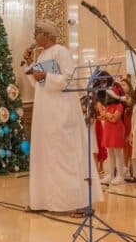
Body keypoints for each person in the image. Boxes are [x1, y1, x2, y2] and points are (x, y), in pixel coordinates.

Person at [28, 19, 102, 213]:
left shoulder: (61, 51)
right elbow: (37, 85)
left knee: (65, 156)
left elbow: (68, 79)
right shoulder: (41, 55)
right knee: (47, 156)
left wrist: (45, 77)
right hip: (45, 114)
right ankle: (44, 201)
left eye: (38, 32)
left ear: (48, 35)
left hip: (61, 111)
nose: (35, 36)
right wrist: (30, 65)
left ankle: (75, 202)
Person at [99, 89, 127, 185]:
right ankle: (111, 175)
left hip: (117, 131)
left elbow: (114, 119)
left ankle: (120, 176)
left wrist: (107, 115)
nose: (106, 97)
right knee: (111, 154)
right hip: (108, 131)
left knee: (118, 154)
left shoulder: (120, 106)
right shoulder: (107, 107)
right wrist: (108, 115)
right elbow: (103, 116)